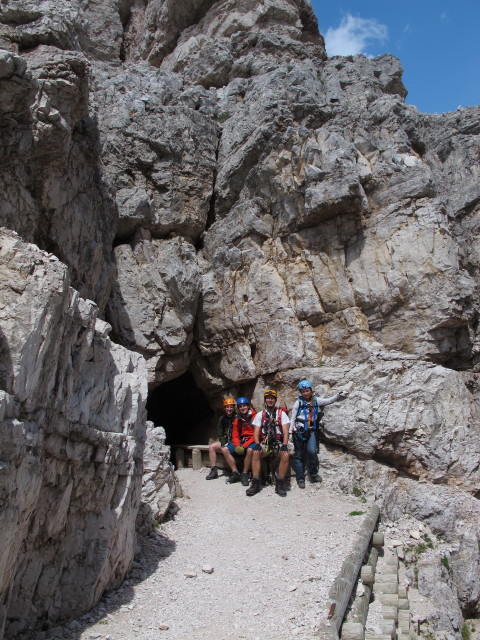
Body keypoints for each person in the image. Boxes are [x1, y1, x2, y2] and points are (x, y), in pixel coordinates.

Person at [290, 379, 348, 488]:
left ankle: (313, 473)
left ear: (311, 390)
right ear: (300, 393)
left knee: (312, 451)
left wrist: (338, 395)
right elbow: (293, 417)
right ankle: (300, 479)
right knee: (298, 455)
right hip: (299, 430)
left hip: (311, 430)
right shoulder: (298, 403)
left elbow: (328, 401)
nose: (306, 393)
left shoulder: (316, 401)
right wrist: (290, 432)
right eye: (303, 391)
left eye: (307, 391)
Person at [246, 389, 291, 497]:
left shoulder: (281, 414)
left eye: (272, 398)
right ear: (265, 400)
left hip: (277, 442)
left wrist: (284, 445)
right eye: (268, 398)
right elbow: (256, 432)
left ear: (275, 400)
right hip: (265, 442)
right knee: (255, 452)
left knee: (285, 455)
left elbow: (285, 431)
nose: (270, 400)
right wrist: (257, 444)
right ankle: (255, 482)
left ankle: (280, 483)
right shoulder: (260, 415)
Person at [223, 397, 257, 485]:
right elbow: (235, 434)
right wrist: (237, 445)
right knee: (225, 449)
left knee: (250, 451)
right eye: (240, 406)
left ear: (248, 406)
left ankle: (244, 474)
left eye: (244, 406)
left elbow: (257, 434)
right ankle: (235, 473)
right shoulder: (238, 419)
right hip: (242, 441)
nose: (242, 408)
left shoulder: (254, 417)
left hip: (252, 441)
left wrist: (244, 446)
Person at [206, 397, 236, 480]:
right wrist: (223, 443)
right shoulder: (222, 419)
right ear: (224, 408)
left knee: (226, 449)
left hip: (234, 442)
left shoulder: (237, 417)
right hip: (226, 441)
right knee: (212, 447)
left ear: (233, 408)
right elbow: (220, 433)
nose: (229, 409)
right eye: (227, 407)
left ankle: (235, 471)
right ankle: (214, 470)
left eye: (231, 407)